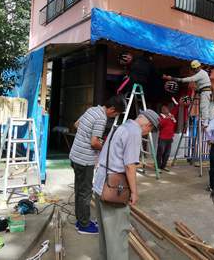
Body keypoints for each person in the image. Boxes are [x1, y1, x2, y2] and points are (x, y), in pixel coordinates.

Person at [93, 109, 160, 260]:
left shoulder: (120, 127)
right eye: (150, 130)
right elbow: (130, 166)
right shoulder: (134, 133)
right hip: (113, 190)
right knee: (117, 234)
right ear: (148, 125)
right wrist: (134, 192)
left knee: (105, 233)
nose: (146, 134)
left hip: (100, 185)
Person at [69, 96, 125, 234]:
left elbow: (76, 124)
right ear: (112, 109)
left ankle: (80, 220)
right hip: (85, 161)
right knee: (86, 193)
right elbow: (94, 143)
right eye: (116, 114)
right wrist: (106, 147)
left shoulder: (92, 110)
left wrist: (85, 135)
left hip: (75, 156)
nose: (114, 116)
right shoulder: (101, 118)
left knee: (79, 190)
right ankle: (84, 225)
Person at [163, 60, 213, 127]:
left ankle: (205, 123)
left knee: (203, 106)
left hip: (205, 92)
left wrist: (173, 78)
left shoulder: (201, 74)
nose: (193, 71)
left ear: (196, 68)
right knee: (204, 107)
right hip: (204, 91)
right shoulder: (202, 73)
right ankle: (205, 121)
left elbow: (189, 79)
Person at [157, 105, 176, 172]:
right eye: (163, 108)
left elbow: (174, 124)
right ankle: (158, 167)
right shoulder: (160, 116)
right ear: (162, 110)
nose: (165, 109)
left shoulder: (170, 116)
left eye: (166, 108)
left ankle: (163, 166)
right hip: (162, 138)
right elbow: (160, 125)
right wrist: (167, 118)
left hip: (169, 137)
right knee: (160, 152)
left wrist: (172, 118)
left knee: (167, 153)